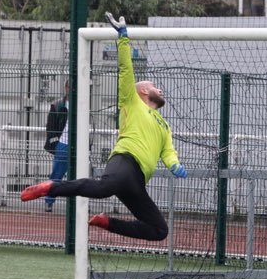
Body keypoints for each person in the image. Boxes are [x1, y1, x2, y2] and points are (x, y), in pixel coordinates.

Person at [21, 13, 187, 241]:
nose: (160, 89)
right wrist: (123, 39)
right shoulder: (131, 101)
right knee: (101, 190)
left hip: (137, 182)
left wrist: (175, 164)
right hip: (125, 162)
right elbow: (126, 70)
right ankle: (50, 187)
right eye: (155, 86)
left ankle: (107, 222)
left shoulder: (165, 126)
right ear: (143, 92)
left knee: (159, 230)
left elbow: (167, 151)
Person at [43, 79, 69, 212]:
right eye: (70, 87)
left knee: (79, 177)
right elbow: (51, 126)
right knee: (56, 175)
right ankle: (49, 201)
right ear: (66, 88)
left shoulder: (83, 104)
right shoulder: (57, 105)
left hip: (78, 145)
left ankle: (77, 204)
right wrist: (54, 143)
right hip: (63, 144)